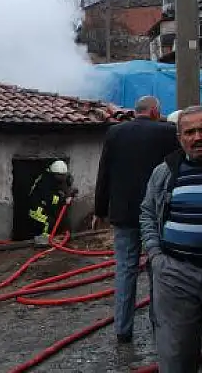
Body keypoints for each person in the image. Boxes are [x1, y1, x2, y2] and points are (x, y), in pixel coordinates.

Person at [93, 95, 179, 344]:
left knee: (125, 270)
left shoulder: (115, 133)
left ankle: (123, 329)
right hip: (157, 214)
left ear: (136, 111)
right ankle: (158, 327)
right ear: (154, 112)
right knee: (158, 270)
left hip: (124, 213)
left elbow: (104, 173)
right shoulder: (168, 132)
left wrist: (100, 211)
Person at [141, 105, 202, 372]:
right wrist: (155, 255)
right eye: (190, 132)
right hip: (176, 274)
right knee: (176, 356)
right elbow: (146, 212)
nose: (197, 137)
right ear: (180, 138)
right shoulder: (165, 172)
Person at [26, 160, 78, 241]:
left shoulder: (53, 179)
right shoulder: (45, 182)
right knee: (49, 222)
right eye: (61, 176)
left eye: (64, 175)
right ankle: (45, 241)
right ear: (55, 174)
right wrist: (64, 200)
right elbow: (50, 198)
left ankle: (53, 237)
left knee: (57, 219)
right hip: (36, 209)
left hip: (45, 205)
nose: (63, 178)